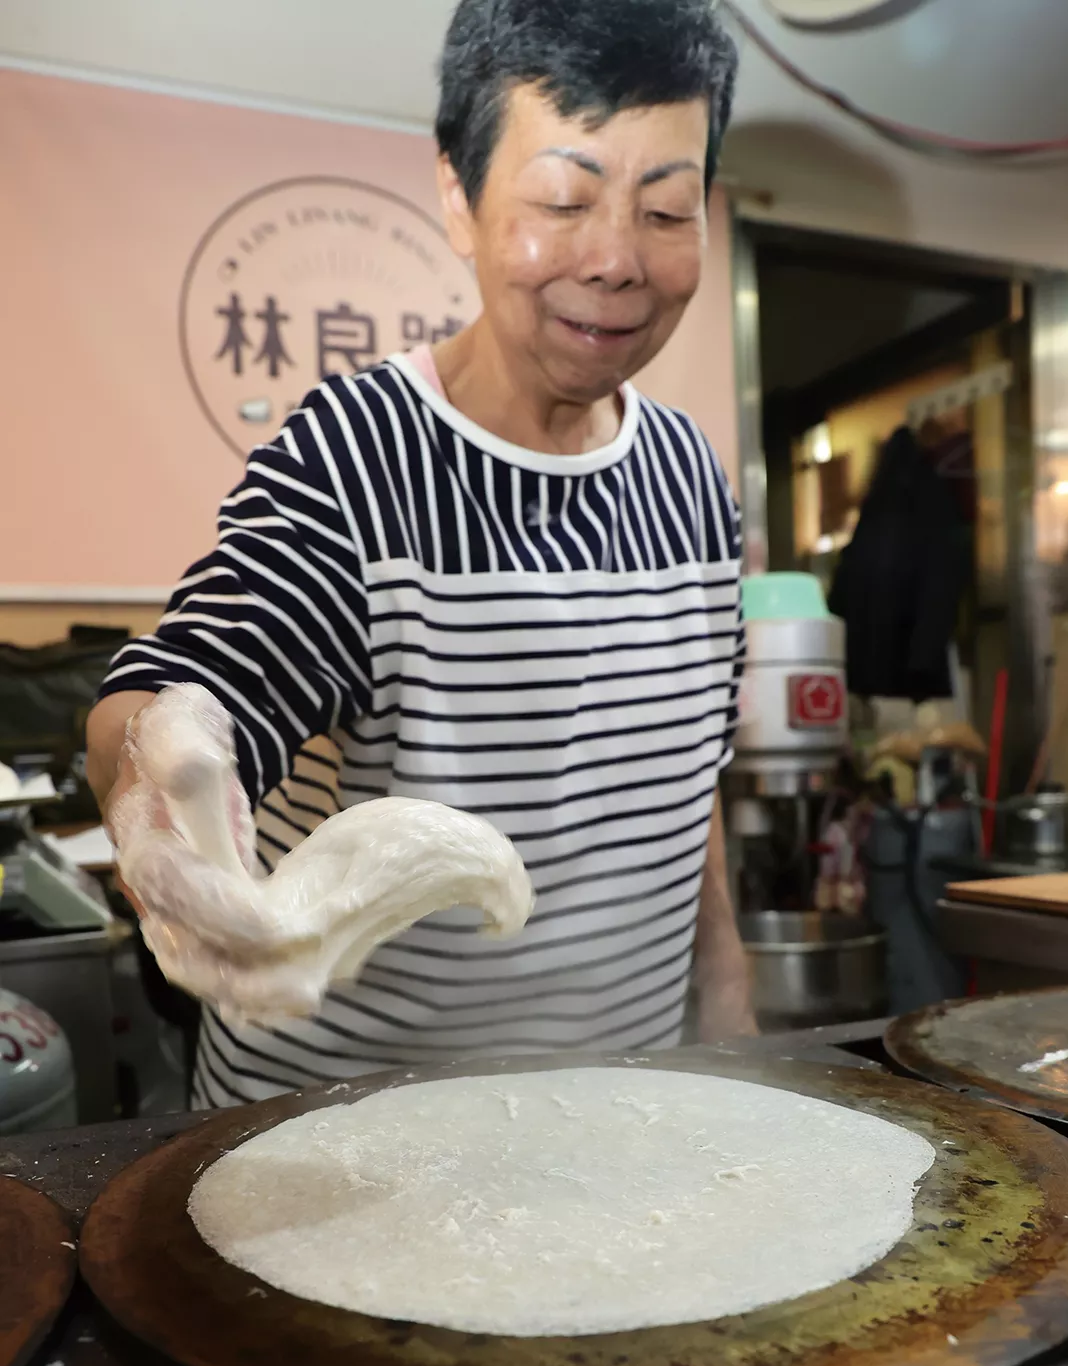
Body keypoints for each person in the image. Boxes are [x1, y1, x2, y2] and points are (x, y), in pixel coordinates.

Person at [87, 0, 755, 1108]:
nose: (615, 260)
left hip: (616, 1125)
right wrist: (154, 778)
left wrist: (729, 1005)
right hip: (338, 1135)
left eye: (667, 209)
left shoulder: (691, 479)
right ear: (459, 195)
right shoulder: (354, 457)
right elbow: (195, 686)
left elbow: (693, 784)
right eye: (565, 200)